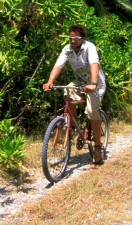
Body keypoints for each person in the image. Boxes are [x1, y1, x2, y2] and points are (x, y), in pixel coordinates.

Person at [43, 24, 106, 164]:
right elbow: (58, 65)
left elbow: (94, 65)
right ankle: (78, 129)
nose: (72, 41)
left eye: (75, 38)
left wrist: (93, 84)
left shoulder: (90, 47)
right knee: (67, 92)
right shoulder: (67, 49)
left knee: (91, 111)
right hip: (80, 82)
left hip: (95, 84)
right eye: (70, 38)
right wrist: (50, 81)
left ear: (82, 38)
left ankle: (97, 146)